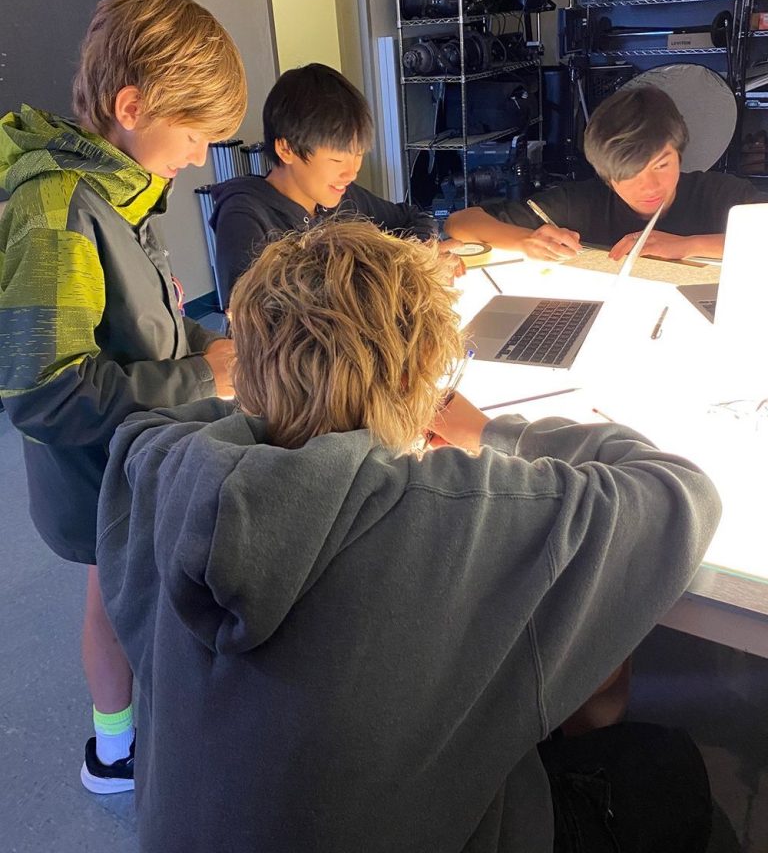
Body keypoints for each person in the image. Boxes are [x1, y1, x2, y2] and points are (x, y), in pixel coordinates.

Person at [97, 219, 720, 853]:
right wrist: (492, 434)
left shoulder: (155, 472)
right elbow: (681, 493)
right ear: (417, 382)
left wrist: (293, 403)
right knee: (668, 765)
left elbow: (182, 422)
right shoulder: (455, 513)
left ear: (247, 366)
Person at [0, 0, 247, 793]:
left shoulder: (122, 185)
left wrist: (213, 345)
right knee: (111, 605)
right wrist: (200, 376)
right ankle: (112, 753)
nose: (203, 158)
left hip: (141, 452)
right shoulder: (59, 212)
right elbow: (41, 392)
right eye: (196, 136)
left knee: (139, 599)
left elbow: (149, 316)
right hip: (96, 477)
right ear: (133, 106)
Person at [210, 61, 460, 308]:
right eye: (337, 159)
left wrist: (422, 255)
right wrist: (406, 273)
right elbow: (266, 317)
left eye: (359, 154)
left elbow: (412, 218)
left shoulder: (344, 198)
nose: (351, 172)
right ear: (286, 149)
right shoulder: (244, 215)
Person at [446, 85, 766, 262]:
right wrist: (527, 240)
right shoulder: (581, 203)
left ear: (679, 152)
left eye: (662, 164)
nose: (650, 186)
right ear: (607, 176)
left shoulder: (717, 194)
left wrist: (690, 245)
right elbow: (460, 222)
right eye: (629, 174)